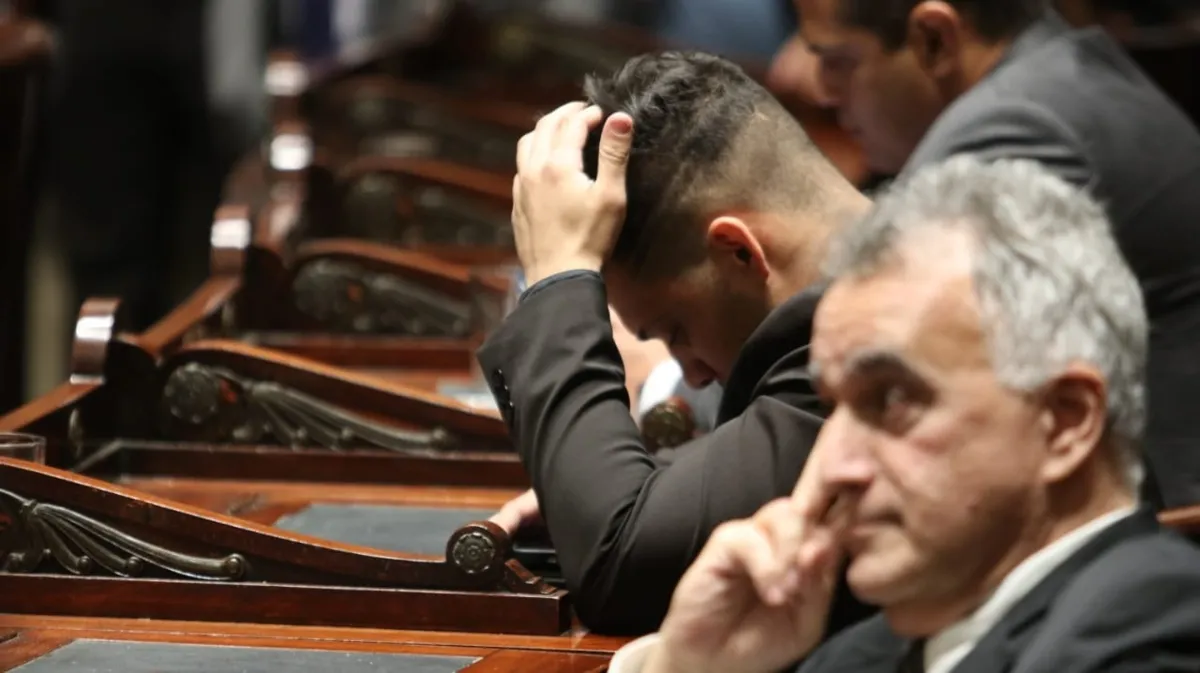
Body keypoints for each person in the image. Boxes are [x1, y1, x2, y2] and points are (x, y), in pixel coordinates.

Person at [608, 155, 1200, 673]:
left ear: (1066, 421)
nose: (832, 468)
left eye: (890, 400)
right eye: (833, 408)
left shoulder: (1158, 630)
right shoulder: (864, 652)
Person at [477, 51, 873, 634]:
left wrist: (559, 277)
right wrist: (634, 489)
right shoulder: (897, 250)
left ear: (739, 252)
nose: (692, 375)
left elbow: (621, 569)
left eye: (676, 331)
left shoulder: (862, 345)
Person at [785, 0, 1200, 507]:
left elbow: (851, 352)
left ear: (934, 40)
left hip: (1168, 531)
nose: (823, 90)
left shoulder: (1008, 129)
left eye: (839, 60)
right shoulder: (1063, 72)